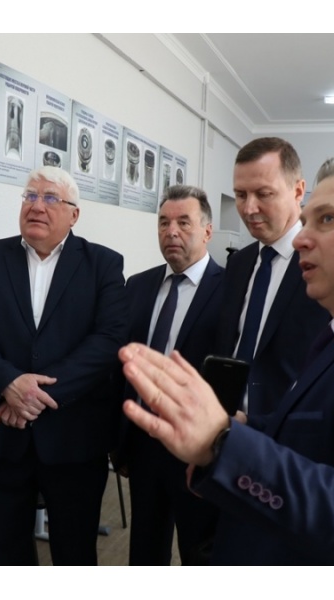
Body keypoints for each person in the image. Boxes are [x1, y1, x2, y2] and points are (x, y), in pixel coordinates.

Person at [121, 152, 334, 565]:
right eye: (306, 221)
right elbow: (321, 438)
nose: (301, 239)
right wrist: (246, 428)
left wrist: (223, 444)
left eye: (327, 219)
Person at [0, 166, 129, 566]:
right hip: (3, 435)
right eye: (30, 196)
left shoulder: (103, 265)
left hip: (73, 436)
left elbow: (108, 340)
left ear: (74, 214)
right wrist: (8, 383)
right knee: (6, 554)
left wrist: (33, 395)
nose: (37, 206)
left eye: (50, 198)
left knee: (74, 555)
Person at [119, 185, 223, 565]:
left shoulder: (230, 289)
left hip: (197, 447)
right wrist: (121, 440)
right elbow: (123, 366)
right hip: (144, 444)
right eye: (163, 223)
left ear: (207, 231)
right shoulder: (138, 285)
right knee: (145, 551)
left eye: (183, 222)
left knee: (199, 554)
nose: (171, 231)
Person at [217, 137, 327, 416]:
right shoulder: (238, 263)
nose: (248, 208)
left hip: (289, 430)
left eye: (263, 194)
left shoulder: (325, 264)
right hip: (227, 424)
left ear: (298, 191)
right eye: (240, 195)